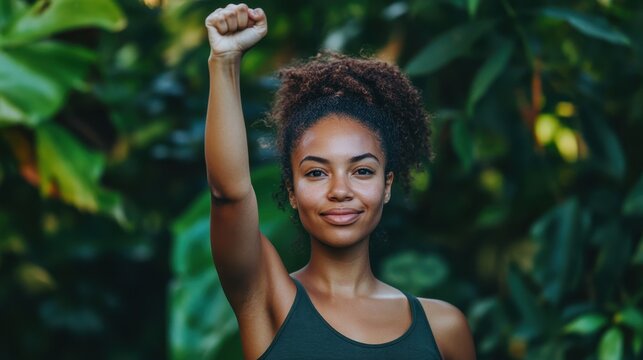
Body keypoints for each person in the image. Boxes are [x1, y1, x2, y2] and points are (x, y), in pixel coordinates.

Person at [204, 3, 476, 359]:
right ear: (293, 192)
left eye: (362, 170)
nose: (340, 191)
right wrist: (224, 62)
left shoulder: (444, 328)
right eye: (316, 172)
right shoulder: (269, 298)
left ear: (387, 184)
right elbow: (229, 194)